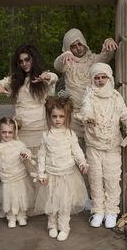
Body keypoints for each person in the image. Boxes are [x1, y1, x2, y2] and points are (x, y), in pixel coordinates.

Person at [78, 62, 127, 229]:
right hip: (94, 145)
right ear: (92, 79)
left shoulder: (116, 97)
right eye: (97, 77)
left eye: (103, 77)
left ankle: (112, 211)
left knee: (112, 178)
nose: (100, 80)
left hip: (112, 145)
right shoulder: (90, 95)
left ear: (109, 78)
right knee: (95, 178)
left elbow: (126, 115)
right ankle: (98, 210)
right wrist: (88, 118)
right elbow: (85, 110)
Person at [36, 95, 89, 241]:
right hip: (51, 174)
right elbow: (41, 154)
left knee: (65, 203)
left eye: (61, 116)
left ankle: (64, 227)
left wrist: (83, 163)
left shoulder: (70, 134)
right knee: (52, 201)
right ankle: (52, 225)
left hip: (67, 174)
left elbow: (77, 151)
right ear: (49, 117)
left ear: (66, 117)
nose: (57, 119)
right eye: (54, 116)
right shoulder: (46, 135)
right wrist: (41, 173)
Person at [0, 45, 58, 158]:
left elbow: (54, 77)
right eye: (21, 61)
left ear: (33, 59)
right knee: (23, 161)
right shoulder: (15, 80)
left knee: (40, 162)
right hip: (22, 128)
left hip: (40, 128)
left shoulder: (42, 78)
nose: (24, 64)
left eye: (27, 60)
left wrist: (46, 76)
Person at [54, 28, 118, 143]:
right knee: (74, 147)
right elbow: (58, 66)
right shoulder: (67, 61)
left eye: (80, 44)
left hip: (92, 113)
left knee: (93, 147)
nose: (78, 48)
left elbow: (106, 56)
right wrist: (65, 55)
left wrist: (109, 41)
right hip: (72, 114)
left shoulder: (93, 59)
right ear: (68, 48)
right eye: (73, 46)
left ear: (84, 43)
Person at [0, 117, 34, 228]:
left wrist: (26, 155)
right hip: (7, 178)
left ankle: (21, 215)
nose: (7, 135)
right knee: (9, 198)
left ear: (14, 132)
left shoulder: (19, 144)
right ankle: (11, 217)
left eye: (10, 132)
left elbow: (26, 153)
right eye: (4, 132)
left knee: (21, 196)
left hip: (19, 176)